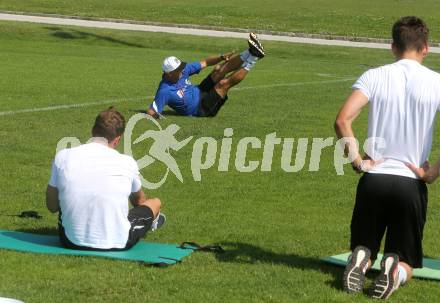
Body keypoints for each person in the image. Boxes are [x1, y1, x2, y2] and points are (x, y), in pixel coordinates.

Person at [334, 16, 440, 299]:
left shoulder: (375, 75)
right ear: (426, 48)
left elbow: (342, 121)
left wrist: (358, 161)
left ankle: (360, 259)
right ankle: (395, 271)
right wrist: (431, 174)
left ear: (393, 47)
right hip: (410, 182)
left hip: (374, 180)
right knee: (405, 259)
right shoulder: (436, 82)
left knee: (364, 245)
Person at [46, 107, 165, 251]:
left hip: (70, 240)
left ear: (93, 132)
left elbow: (52, 206)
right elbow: (139, 202)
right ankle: (150, 222)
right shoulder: (127, 162)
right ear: (117, 140)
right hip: (117, 241)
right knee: (155, 203)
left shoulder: (63, 156)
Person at [147, 33, 265, 118]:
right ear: (170, 73)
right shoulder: (165, 90)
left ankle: (250, 51)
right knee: (222, 84)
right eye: (178, 69)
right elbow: (152, 112)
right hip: (202, 109)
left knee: (218, 69)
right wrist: (155, 115)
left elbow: (205, 62)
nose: (182, 70)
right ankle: (254, 57)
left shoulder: (183, 70)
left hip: (200, 90)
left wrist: (221, 57)